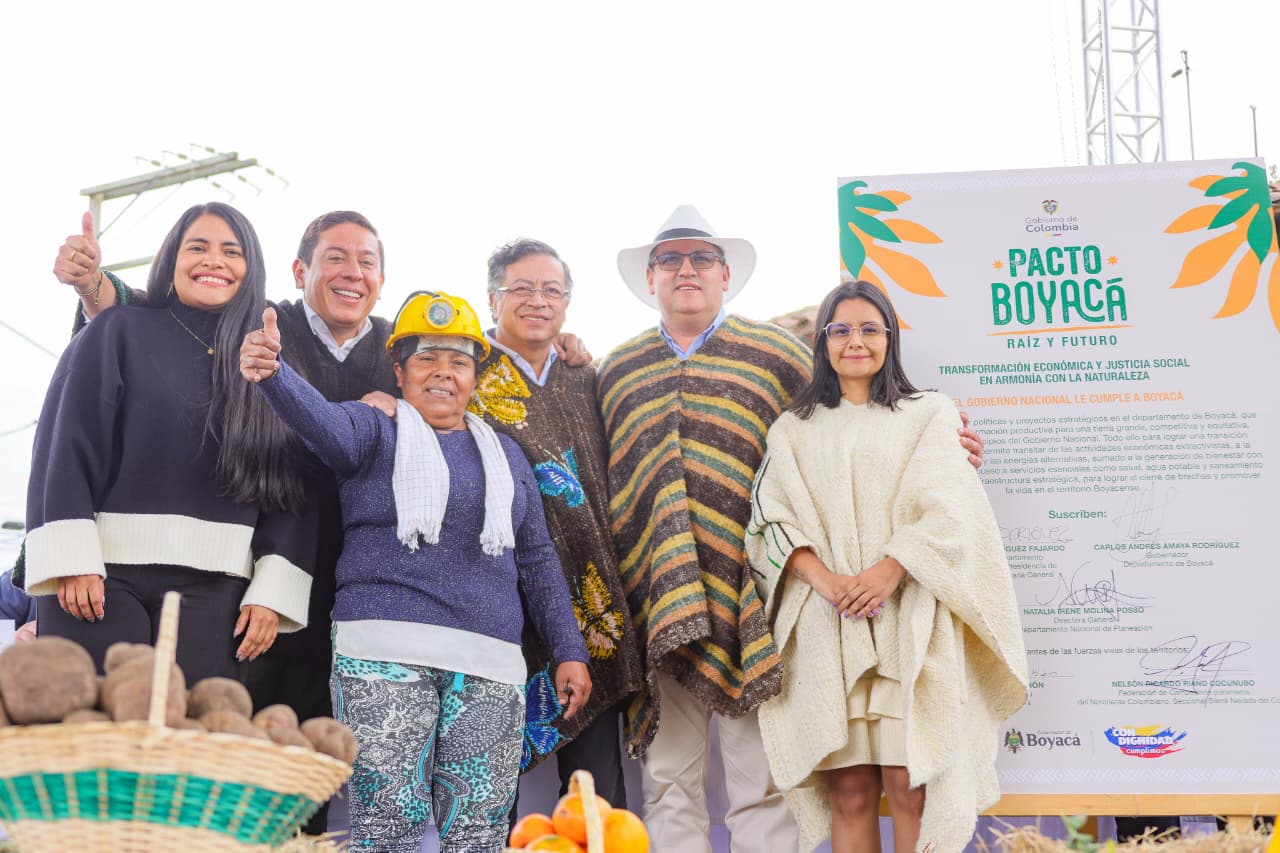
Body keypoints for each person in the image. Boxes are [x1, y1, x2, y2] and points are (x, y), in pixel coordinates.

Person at [598, 206, 986, 852]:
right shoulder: (613, 372)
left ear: (725, 274)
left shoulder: (777, 355)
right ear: (650, 277)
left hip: (759, 602)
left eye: (700, 259)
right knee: (668, 778)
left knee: (762, 780)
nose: (686, 270)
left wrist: (951, 445)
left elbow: (851, 413)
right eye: (671, 259)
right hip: (658, 606)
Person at [241, 290, 591, 852]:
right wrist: (274, 375)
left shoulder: (507, 456)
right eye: (427, 358)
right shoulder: (373, 427)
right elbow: (322, 424)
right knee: (387, 830)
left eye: (459, 361)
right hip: (382, 655)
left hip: (490, 666)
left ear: (475, 377)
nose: (443, 373)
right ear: (399, 371)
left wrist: (569, 649)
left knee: (478, 835)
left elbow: (537, 560)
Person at [746, 280, 1028, 853]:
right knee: (849, 790)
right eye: (841, 329)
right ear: (822, 341)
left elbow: (949, 508)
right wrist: (830, 584)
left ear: (890, 338)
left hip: (910, 620)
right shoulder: (792, 429)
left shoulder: (929, 413)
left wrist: (888, 571)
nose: (856, 341)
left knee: (911, 781)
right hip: (830, 626)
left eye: (870, 329)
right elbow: (769, 520)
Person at [25, 202, 313, 680]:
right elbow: (65, 446)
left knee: (191, 743)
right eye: (196, 247)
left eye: (231, 251)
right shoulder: (116, 330)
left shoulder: (269, 362)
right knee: (98, 736)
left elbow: (288, 485)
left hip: (218, 589)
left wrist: (271, 590)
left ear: (251, 268)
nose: (213, 261)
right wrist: (71, 558)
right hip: (98, 576)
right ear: (171, 260)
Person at [477, 239, 643, 803]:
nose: (537, 301)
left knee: (594, 793)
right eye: (521, 288)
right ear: (492, 297)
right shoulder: (464, 371)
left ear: (567, 303)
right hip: (498, 601)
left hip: (593, 601)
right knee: (486, 790)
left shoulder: (585, 377)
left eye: (552, 290)